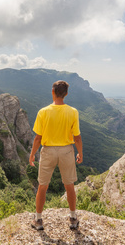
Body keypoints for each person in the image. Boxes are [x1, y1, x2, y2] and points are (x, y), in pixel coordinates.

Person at [29, 80, 83, 231]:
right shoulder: (73, 112)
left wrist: (32, 154)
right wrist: (80, 153)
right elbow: (77, 137)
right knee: (69, 185)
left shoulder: (43, 112)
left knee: (42, 186)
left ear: (52, 92)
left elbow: (38, 138)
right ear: (66, 94)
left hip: (48, 151)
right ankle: (73, 218)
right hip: (67, 150)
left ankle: (38, 220)